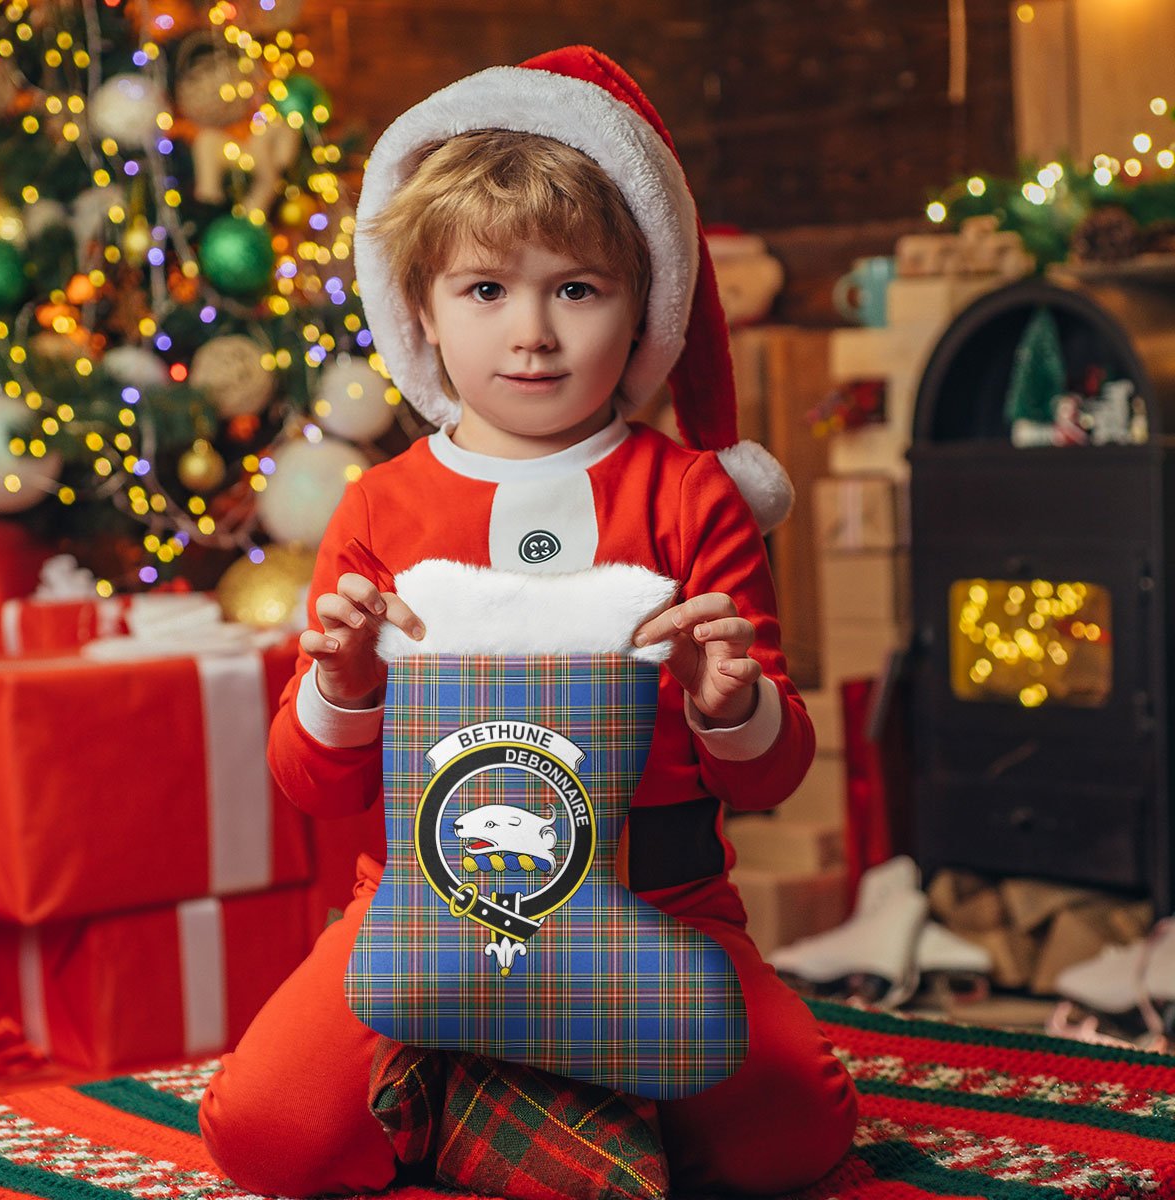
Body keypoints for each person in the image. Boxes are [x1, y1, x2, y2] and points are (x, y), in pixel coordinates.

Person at [199, 45, 857, 1197]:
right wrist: (344, 686)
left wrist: (734, 705)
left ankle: (507, 1085)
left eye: (577, 288)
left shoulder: (691, 496)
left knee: (792, 1136)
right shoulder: (382, 503)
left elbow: (771, 779)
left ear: (639, 303)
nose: (533, 334)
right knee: (268, 1135)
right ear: (421, 310)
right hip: (424, 902)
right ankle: (511, 1087)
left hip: (661, 904)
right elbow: (314, 784)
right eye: (487, 289)